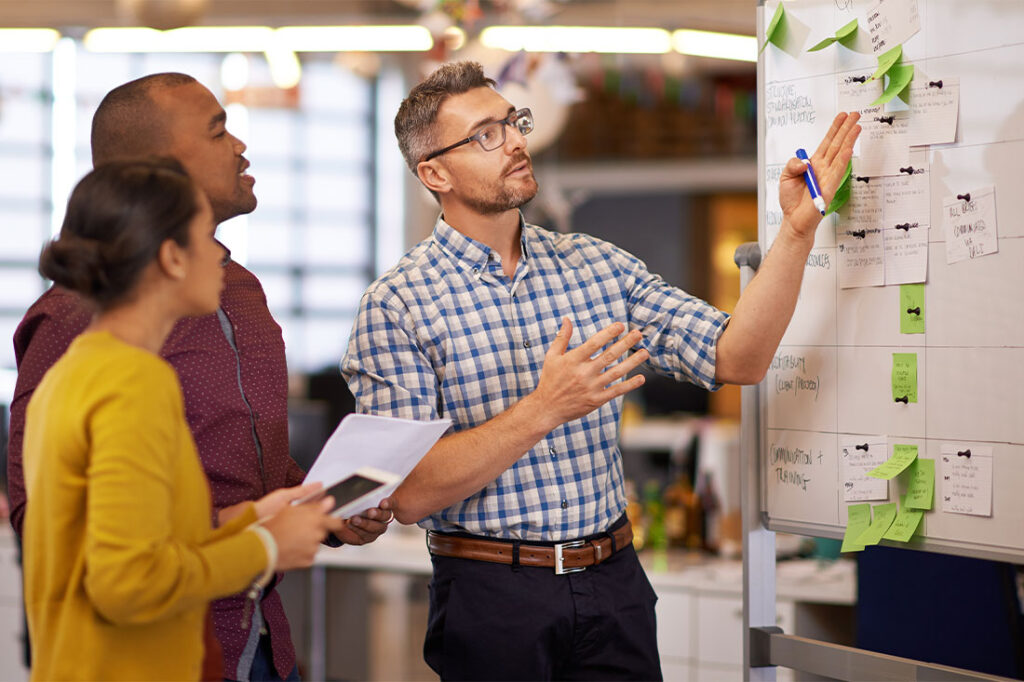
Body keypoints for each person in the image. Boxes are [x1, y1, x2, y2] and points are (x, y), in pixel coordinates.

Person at [341, 60, 861, 680]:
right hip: (491, 597)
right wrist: (544, 408)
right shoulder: (397, 303)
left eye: (513, 122)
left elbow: (738, 357)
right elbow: (410, 491)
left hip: (614, 585)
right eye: (486, 134)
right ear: (435, 172)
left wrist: (798, 230)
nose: (515, 142)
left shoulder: (597, 266)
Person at [6, 73, 391, 681]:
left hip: (247, 633)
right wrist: (263, 542)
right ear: (167, 250)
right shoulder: (115, 367)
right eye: (218, 130)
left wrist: (280, 511)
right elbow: (107, 563)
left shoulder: (116, 358)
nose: (220, 257)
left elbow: (148, 519)